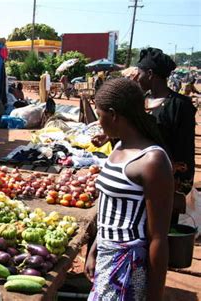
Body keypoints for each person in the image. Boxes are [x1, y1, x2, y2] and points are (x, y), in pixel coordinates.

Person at [85, 78, 174, 301]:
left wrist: (155, 297)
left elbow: (158, 239)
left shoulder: (152, 161)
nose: (99, 122)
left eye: (99, 114)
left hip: (127, 266)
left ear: (113, 114)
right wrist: (95, 249)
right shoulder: (118, 147)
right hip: (106, 255)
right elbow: (110, 209)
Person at [137, 47, 196, 221]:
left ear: (149, 74)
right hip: (136, 182)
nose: (137, 77)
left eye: (139, 73)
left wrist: (179, 189)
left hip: (163, 187)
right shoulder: (139, 102)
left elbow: (185, 151)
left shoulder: (180, 106)